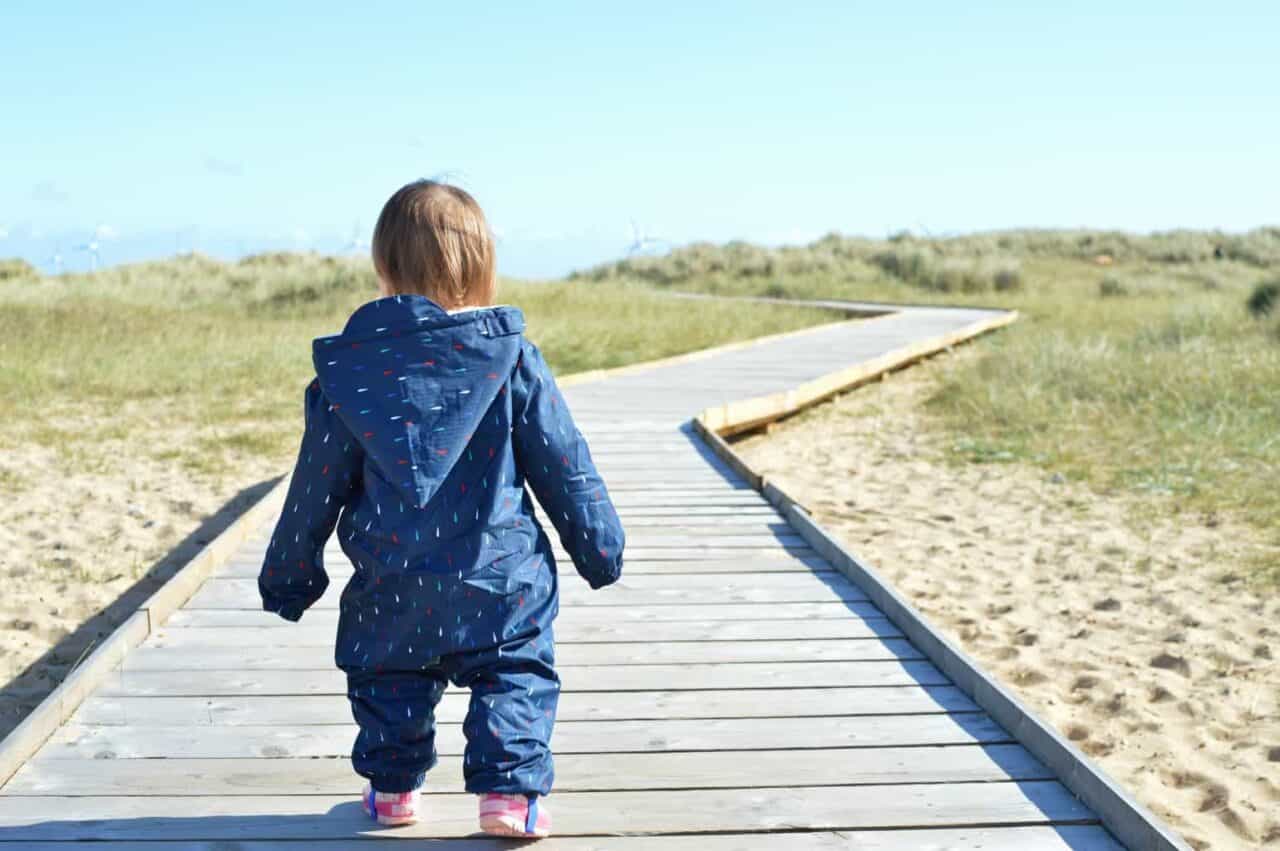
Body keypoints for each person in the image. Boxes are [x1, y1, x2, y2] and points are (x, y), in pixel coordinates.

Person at [257, 179, 625, 838]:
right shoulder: (512, 360)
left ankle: (393, 788)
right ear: (483, 270)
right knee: (514, 670)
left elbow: (314, 486)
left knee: (388, 674)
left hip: (392, 585)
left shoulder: (349, 379)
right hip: (499, 585)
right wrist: (599, 545)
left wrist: (290, 574)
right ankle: (509, 794)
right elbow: (565, 464)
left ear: (384, 270)